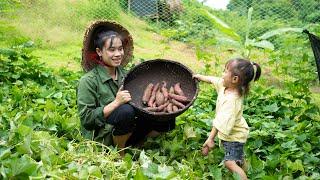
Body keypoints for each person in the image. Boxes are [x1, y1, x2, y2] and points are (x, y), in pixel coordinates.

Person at [77, 21, 175, 156]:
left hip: (127, 130)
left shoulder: (126, 75)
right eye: (112, 50)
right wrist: (116, 103)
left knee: (165, 115)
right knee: (125, 111)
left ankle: (137, 143)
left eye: (120, 49)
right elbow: (87, 120)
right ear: (99, 52)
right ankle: (119, 153)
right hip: (103, 135)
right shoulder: (88, 81)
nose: (118, 54)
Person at [193, 58, 261, 179]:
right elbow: (213, 80)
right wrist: (199, 77)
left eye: (225, 72)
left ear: (235, 79)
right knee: (237, 157)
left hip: (234, 137)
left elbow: (220, 123)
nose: (222, 74)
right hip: (236, 132)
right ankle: (245, 168)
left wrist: (210, 139)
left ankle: (243, 176)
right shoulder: (226, 87)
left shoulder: (232, 101)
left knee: (229, 162)